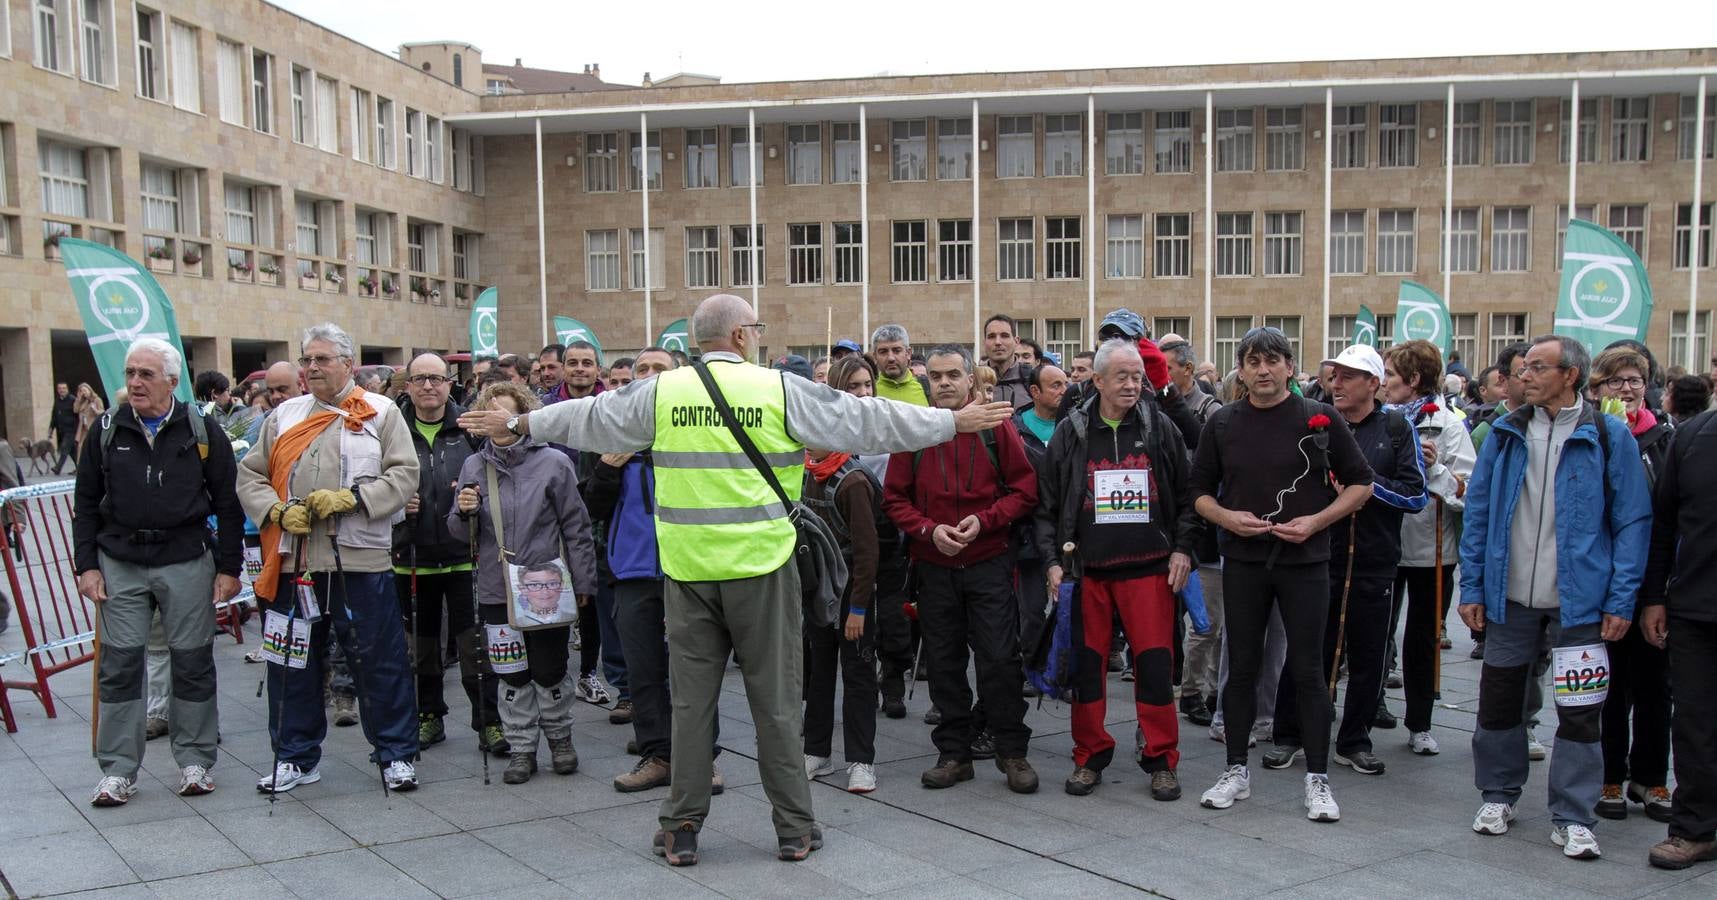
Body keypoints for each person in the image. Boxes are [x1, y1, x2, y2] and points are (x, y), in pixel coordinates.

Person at [457, 294, 1013, 866]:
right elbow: (866, 420)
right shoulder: (776, 388)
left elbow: (590, 418)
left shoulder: (663, 391)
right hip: (761, 570)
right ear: (743, 335)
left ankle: (681, 829)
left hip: (687, 572)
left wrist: (520, 421)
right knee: (774, 705)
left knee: (692, 707)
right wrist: (952, 421)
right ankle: (795, 829)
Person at [1459, 334, 1651, 860]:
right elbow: (1477, 515)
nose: (1525, 376)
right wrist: (1472, 585)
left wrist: (1620, 599)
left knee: (1580, 710)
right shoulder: (1505, 432)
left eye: (1538, 367)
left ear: (1570, 375)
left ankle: (1573, 814)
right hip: (1510, 599)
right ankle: (1498, 794)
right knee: (1499, 703)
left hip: (1581, 603)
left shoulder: (1610, 436)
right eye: (1525, 368)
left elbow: (1632, 522)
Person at [1190, 326, 1374, 822]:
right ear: (1242, 370)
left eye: (1272, 360)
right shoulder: (1223, 422)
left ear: (1290, 367)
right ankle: (1235, 769)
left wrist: (1317, 521)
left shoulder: (1320, 420)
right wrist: (1228, 518)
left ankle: (1317, 777)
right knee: (1242, 669)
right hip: (1245, 562)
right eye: (1252, 361)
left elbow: (1361, 484)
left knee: (1310, 671)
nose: (1263, 370)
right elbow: (1199, 492)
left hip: (1306, 561)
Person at [236, 323, 422, 794]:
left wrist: (354, 499)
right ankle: (294, 757)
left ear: (348, 363)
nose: (312, 367)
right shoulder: (283, 416)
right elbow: (250, 477)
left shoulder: (380, 412)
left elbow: (404, 476)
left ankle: (396, 754)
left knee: (378, 660)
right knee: (290, 660)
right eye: (306, 359)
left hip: (360, 561)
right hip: (293, 558)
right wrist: (275, 510)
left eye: (322, 359)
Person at [75, 338, 244, 805]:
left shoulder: (201, 429)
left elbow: (228, 504)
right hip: (120, 563)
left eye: (146, 374)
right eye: (130, 373)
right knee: (120, 667)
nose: (134, 382)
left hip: (187, 560)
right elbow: (85, 503)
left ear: (172, 381)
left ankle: (194, 760)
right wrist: (86, 566)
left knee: (191, 662)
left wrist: (229, 567)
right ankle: (118, 771)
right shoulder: (107, 429)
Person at [1037, 339, 1200, 800]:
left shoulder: (1159, 427)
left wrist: (1183, 549)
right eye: (1122, 376)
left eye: (1137, 377)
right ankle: (1089, 756)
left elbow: (1188, 496)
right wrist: (1052, 561)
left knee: (1153, 667)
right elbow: (1046, 505)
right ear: (1098, 381)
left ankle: (1161, 759)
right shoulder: (1071, 431)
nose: (1132, 385)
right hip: (1087, 572)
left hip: (1149, 570)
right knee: (1087, 671)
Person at [883, 344, 1041, 795]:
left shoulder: (995, 426)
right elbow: (894, 498)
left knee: (999, 660)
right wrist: (928, 530)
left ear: (972, 379)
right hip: (934, 565)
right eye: (936, 376)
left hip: (989, 561)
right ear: (927, 382)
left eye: (954, 374)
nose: (946, 383)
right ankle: (953, 753)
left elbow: (1024, 489)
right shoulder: (915, 431)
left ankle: (1012, 751)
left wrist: (986, 520)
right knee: (945, 663)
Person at [1264, 345, 1426, 777]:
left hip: (1374, 559)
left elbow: (1415, 494)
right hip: (1316, 556)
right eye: (1334, 376)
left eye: (1348, 377)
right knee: (1305, 648)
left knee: (1370, 655)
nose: (1336, 384)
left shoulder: (1395, 428)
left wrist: (1363, 488)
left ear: (1373, 383)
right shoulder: (1315, 423)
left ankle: (1354, 739)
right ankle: (1288, 735)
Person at [581, 348, 723, 793]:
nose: (647, 376)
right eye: (641, 369)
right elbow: (591, 506)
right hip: (632, 571)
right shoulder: (612, 433)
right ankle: (657, 754)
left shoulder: (696, 431)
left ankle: (702, 760)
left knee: (693, 670)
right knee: (643, 671)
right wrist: (607, 467)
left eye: (658, 369)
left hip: (690, 569)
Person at [453, 382, 595, 782]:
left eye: (505, 412)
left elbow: (576, 527)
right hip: (498, 586)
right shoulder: (473, 466)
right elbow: (461, 536)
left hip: (545, 582)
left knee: (550, 668)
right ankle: (521, 748)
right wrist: (462, 511)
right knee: (510, 672)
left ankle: (560, 740)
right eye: (489, 411)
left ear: (522, 416)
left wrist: (584, 581)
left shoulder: (553, 463)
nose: (496, 419)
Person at [392, 353, 498, 755]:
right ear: (408, 386)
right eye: (419, 379)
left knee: (475, 650)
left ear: (450, 384)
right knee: (420, 650)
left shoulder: (469, 428)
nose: (428, 386)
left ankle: (488, 722)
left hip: (464, 556)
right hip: (411, 557)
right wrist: (397, 509)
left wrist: (475, 502)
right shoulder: (392, 429)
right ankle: (428, 716)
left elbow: (496, 477)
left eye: (436, 378)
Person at [1589, 346, 1673, 822]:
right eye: (1616, 381)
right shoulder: (1596, 434)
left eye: (1635, 380)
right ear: (1598, 389)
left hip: (1653, 580)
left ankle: (1651, 776)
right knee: (1612, 685)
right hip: (1606, 579)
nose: (1626, 388)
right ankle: (1611, 775)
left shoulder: (1663, 437)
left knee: (1657, 685)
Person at [1380, 340, 1476, 754]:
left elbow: (1466, 490)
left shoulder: (1450, 424)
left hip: (1430, 550)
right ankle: (1371, 707)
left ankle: (1420, 721)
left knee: (1422, 637)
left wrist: (1434, 467)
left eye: (1389, 376)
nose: (1383, 384)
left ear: (1413, 380)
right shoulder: (1380, 420)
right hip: (1382, 543)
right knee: (1375, 631)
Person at [801, 400, 891, 794]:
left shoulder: (852, 482)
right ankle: (817, 751)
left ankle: (861, 761)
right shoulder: (806, 473)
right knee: (817, 673)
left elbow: (869, 554)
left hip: (854, 592)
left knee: (857, 676)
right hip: (820, 591)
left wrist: (857, 610)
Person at [1641, 406, 1717, 869]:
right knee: (1694, 723)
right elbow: (1663, 524)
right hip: (1695, 608)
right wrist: (1654, 597)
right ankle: (1693, 827)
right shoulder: (1692, 436)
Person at [1159, 339, 1223, 727]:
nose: (1159, 378)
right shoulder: (1150, 404)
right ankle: (1187, 686)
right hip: (1168, 520)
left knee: (1207, 616)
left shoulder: (1208, 409)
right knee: (1178, 615)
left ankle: (1203, 689)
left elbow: (1204, 454)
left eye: (1166, 368)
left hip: (1201, 521)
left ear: (1187, 369)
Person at [981, 314, 1033, 410]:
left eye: (1004, 336)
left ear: (1016, 341)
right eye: (991, 336)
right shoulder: (973, 381)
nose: (998, 342)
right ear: (984, 343)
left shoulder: (1033, 378)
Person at [871, 324, 931, 406]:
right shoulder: (868, 393)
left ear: (908, 353)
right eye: (883, 352)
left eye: (896, 351)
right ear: (875, 357)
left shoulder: (928, 388)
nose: (891, 358)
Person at [48, 381, 78, 474]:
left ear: (67, 389)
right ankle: (80, 468)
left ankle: (58, 468)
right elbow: (54, 416)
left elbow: (77, 414)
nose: (62, 390)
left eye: (64, 388)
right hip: (62, 430)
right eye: (60, 388)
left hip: (72, 430)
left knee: (64, 447)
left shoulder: (73, 399)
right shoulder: (57, 401)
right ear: (57, 390)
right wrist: (51, 429)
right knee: (72, 451)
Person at [73, 383, 106, 450]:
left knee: (93, 447)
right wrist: (78, 398)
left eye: (85, 390)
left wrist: (95, 410)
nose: (83, 393)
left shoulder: (97, 400)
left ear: (89, 390)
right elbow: (75, 410)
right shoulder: (83, 401)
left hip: (93, 427)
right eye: (81, 391)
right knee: (81, 447)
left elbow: (102, 412)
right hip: (84, 428)